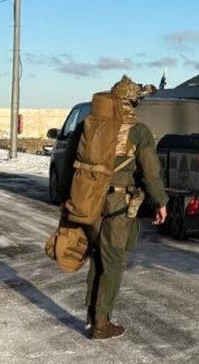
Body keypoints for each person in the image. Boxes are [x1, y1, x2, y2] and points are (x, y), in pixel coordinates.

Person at [83, 76, 169, 340]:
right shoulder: (139, 131)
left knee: (98, 257)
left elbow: (69, 168)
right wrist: (161, 202)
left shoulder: (91, 125)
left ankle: (93, 316)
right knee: (113, 261)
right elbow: (151, 173)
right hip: (119, 205)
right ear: (133, 103)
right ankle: (101, 323)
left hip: (89, 200)